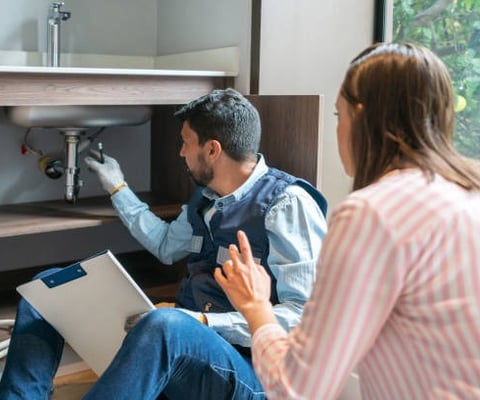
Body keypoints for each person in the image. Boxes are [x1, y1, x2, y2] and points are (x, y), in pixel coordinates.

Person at [0, 88, 328, 400]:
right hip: (187, 349)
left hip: (250, 373)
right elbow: (166, 245)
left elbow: (304, 317)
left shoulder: (287, 203)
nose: (181, 152)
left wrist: (200, 322)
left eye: (186, 143)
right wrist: (118, 187)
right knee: (47, 287)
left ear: (212, 150)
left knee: (166, 323)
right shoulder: (206, 197)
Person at [215, 43, 480, 399]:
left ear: (361, 115)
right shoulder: (468, 193)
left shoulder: (371, 213)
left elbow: (297, 389)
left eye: (338, 116)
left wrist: (256, 306)